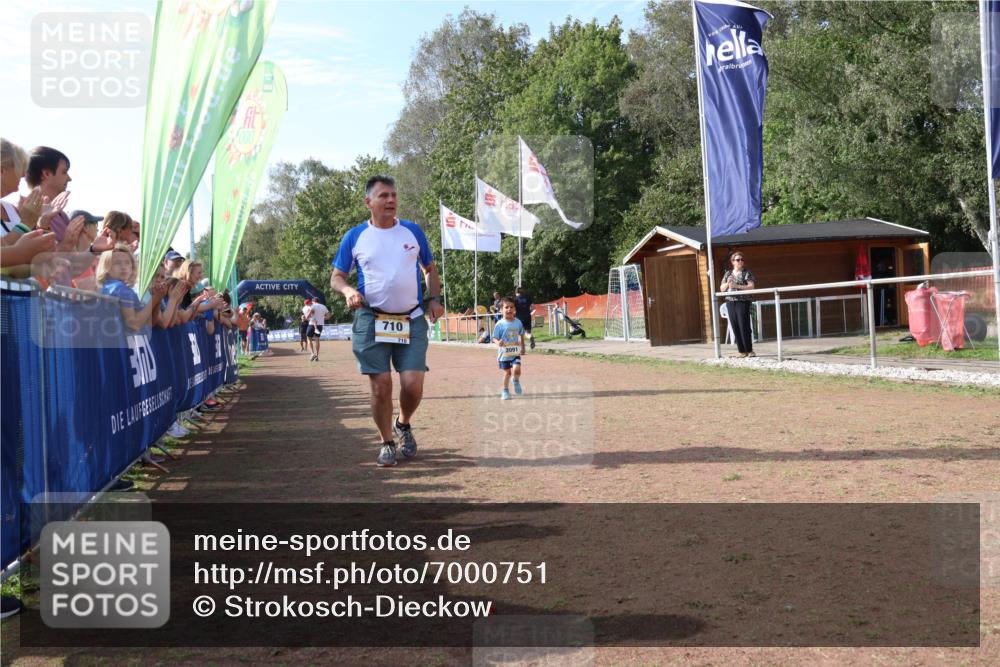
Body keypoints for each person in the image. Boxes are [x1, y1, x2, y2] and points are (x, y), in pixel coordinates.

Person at [329, 174, 444, 467]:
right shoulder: (355, 236)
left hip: (412, 318)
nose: (391, 200)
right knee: (381, 386)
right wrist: (348, 291)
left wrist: (434, 298)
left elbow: (430, 269)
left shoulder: (412, 231)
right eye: (383, 195)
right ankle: (387, 442)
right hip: (371, 318)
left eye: (393, 195)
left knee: (412, 384)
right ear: (368, 202)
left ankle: (403, 423)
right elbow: (336, 277)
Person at [25, 146, 72, 241]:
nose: (69, 178)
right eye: (64, 172)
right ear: (46, 174)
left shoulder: (61, 215)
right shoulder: (22, 212)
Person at [720, 251, 757, 358]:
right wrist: (728, 284)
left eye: (742, 260)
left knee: (744, 325)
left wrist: (737, 286)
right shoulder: (728, 274)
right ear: (733, 262)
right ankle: (742, 351)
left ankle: (749, 350)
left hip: (742, 301)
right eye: (738, 260)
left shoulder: (746, 273)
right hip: (730, 302)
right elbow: (722, 289)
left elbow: (751, 286)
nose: (740, 261)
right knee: (735, 326)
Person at [492, 296, 526, 400]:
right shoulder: (499, 324)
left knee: (517, 370)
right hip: (504, 354)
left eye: (511, 307)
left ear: (515, 309)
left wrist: (523, 347)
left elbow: (521, 334)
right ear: (501, 310)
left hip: (515, 351)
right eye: (506, 307)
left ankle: (515, 380)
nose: (509, 309)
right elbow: (494, 338)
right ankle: (505, 391)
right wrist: (498, 343)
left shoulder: (518, 322)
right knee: (507, 373)